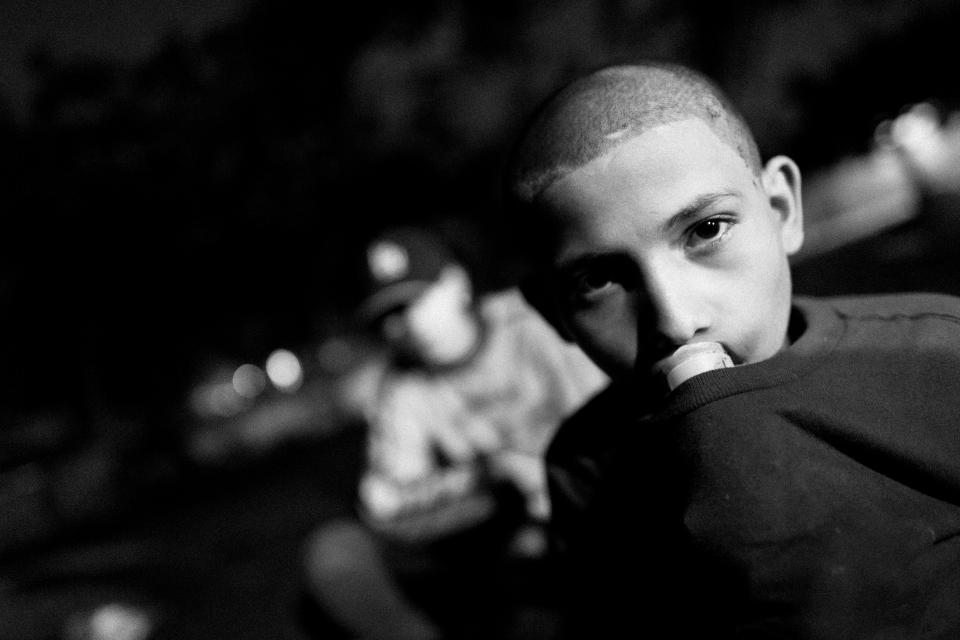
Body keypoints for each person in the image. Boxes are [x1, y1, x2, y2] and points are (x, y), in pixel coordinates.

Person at [502, 61, 960, 639]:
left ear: (782, 211)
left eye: (707, 230)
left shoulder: (938, 356)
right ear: (553, 312)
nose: (676, 320)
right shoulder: (590, 467)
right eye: (599, 280)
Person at [299, 225, 607, 640]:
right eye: (387, 315)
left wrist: (550, 477)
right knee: (335, 553)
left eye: (415, 300)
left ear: (456, 282)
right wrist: (487, 474)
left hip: (598, 503)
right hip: (496, 532)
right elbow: (385, 503)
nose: (405, 324)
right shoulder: (402, 388)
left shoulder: (536, 319)